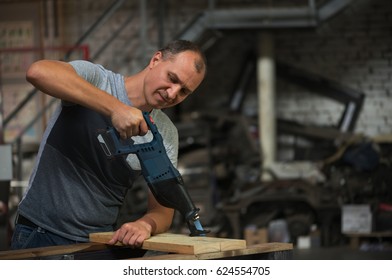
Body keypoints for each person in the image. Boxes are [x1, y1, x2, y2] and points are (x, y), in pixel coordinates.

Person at [11, 39, 207, 250]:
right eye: (171, 78)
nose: (172, 93)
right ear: (156, 60)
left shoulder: (165, 133)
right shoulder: (97, 79)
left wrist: (145, 224)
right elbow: (38, 72)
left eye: (183, 91)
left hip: (100, 242)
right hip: (41, 233)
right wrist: (115, 109)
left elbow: (163, 210)